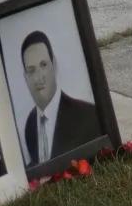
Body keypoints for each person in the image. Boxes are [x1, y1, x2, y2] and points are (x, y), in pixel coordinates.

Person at [20, 29, 101, 167]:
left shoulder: (89, 116)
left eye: (43, 65)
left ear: (54, 65)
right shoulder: (30, 124)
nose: (39, 77)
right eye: (31, 70)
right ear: (25, 77)